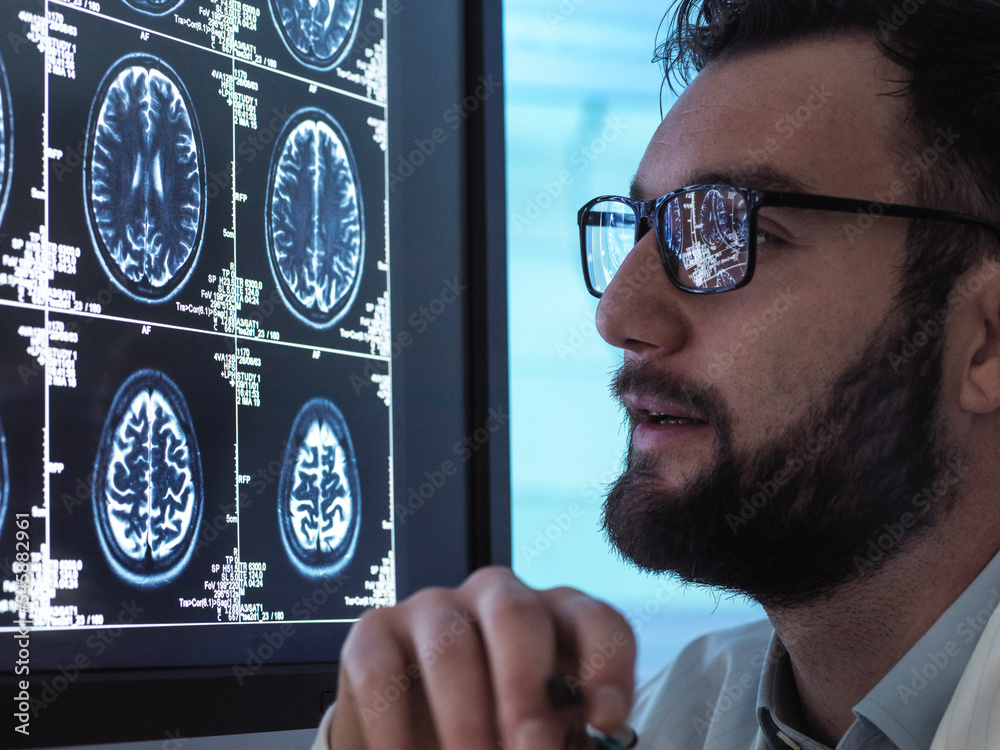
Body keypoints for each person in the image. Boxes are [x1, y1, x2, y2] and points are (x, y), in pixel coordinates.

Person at [316, 0, 1000, 747]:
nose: (618, 315)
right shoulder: (678, 710)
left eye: (731, 231)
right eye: (646, 228)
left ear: (986, 343)